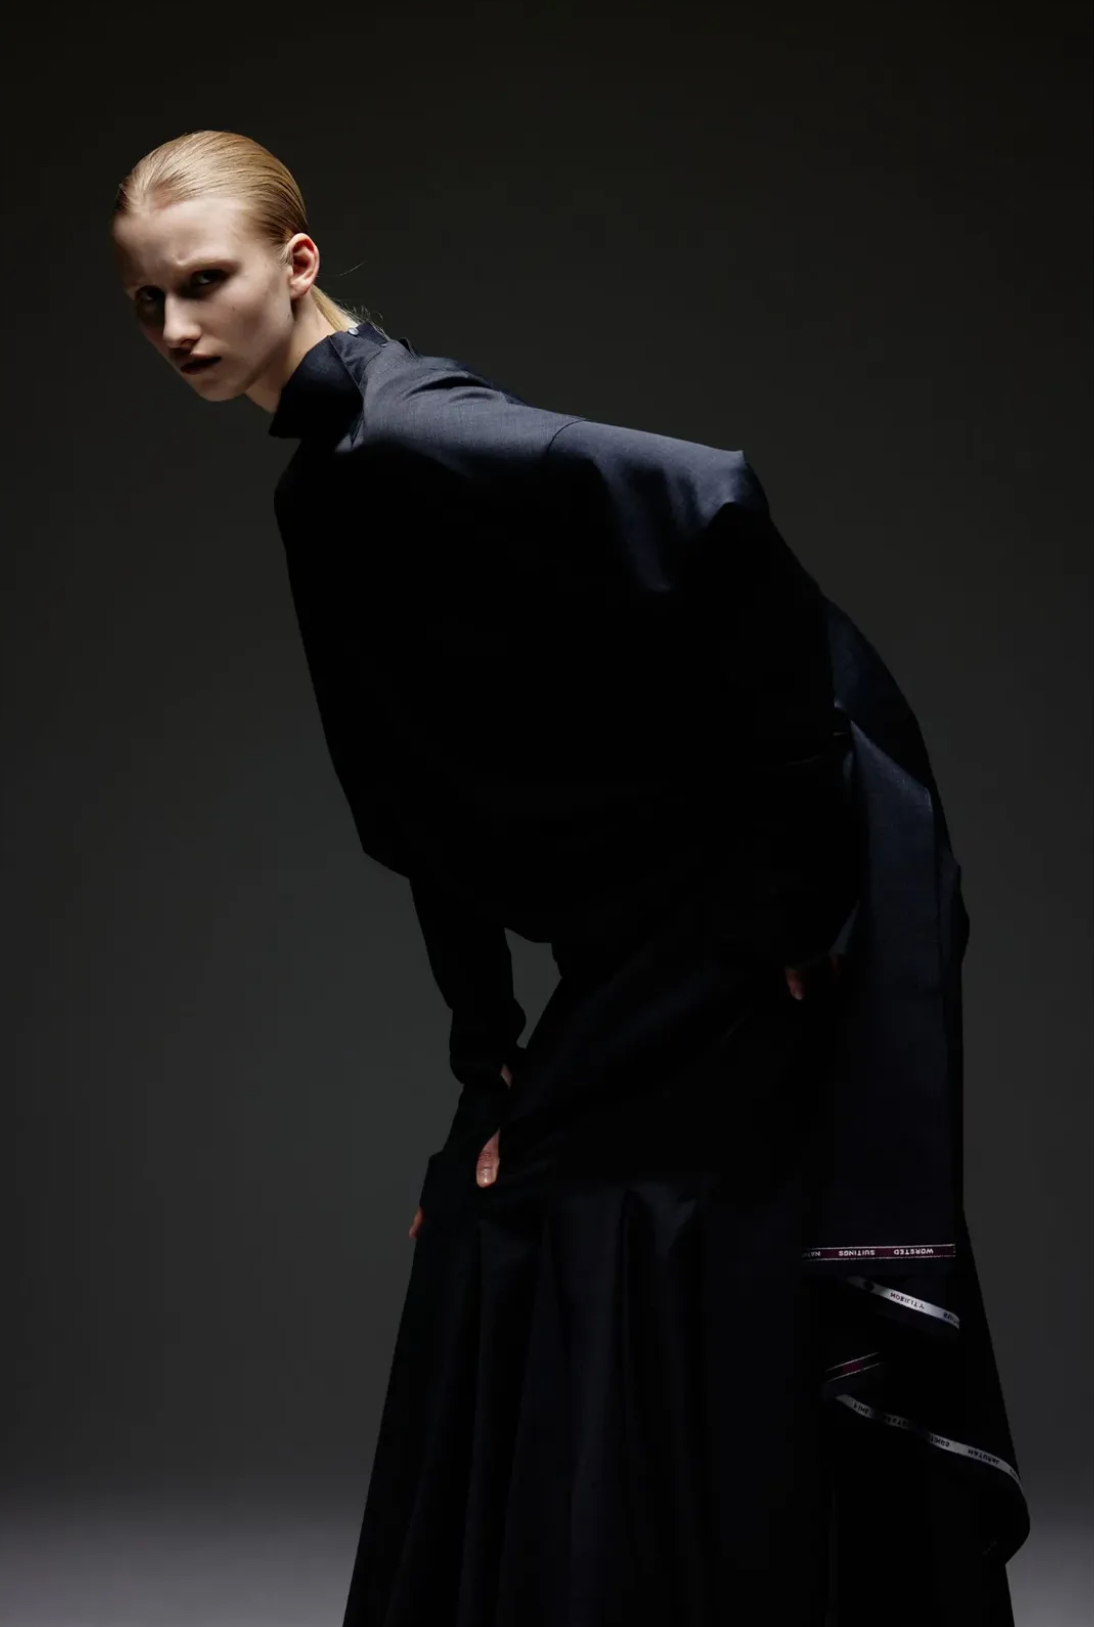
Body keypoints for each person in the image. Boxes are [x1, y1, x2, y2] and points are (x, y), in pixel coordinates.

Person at [111, 130, 1030, 1626]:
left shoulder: (411, 434)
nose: (175, 327)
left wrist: (800, 899)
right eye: (147, 301)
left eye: (202, 283)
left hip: (755, 897)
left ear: (297, 262)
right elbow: (417, 796)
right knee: (544, 1221)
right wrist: (487, 1053)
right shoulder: (324, 484)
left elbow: (710, 500)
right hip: (658, 914)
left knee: (623, 1230)